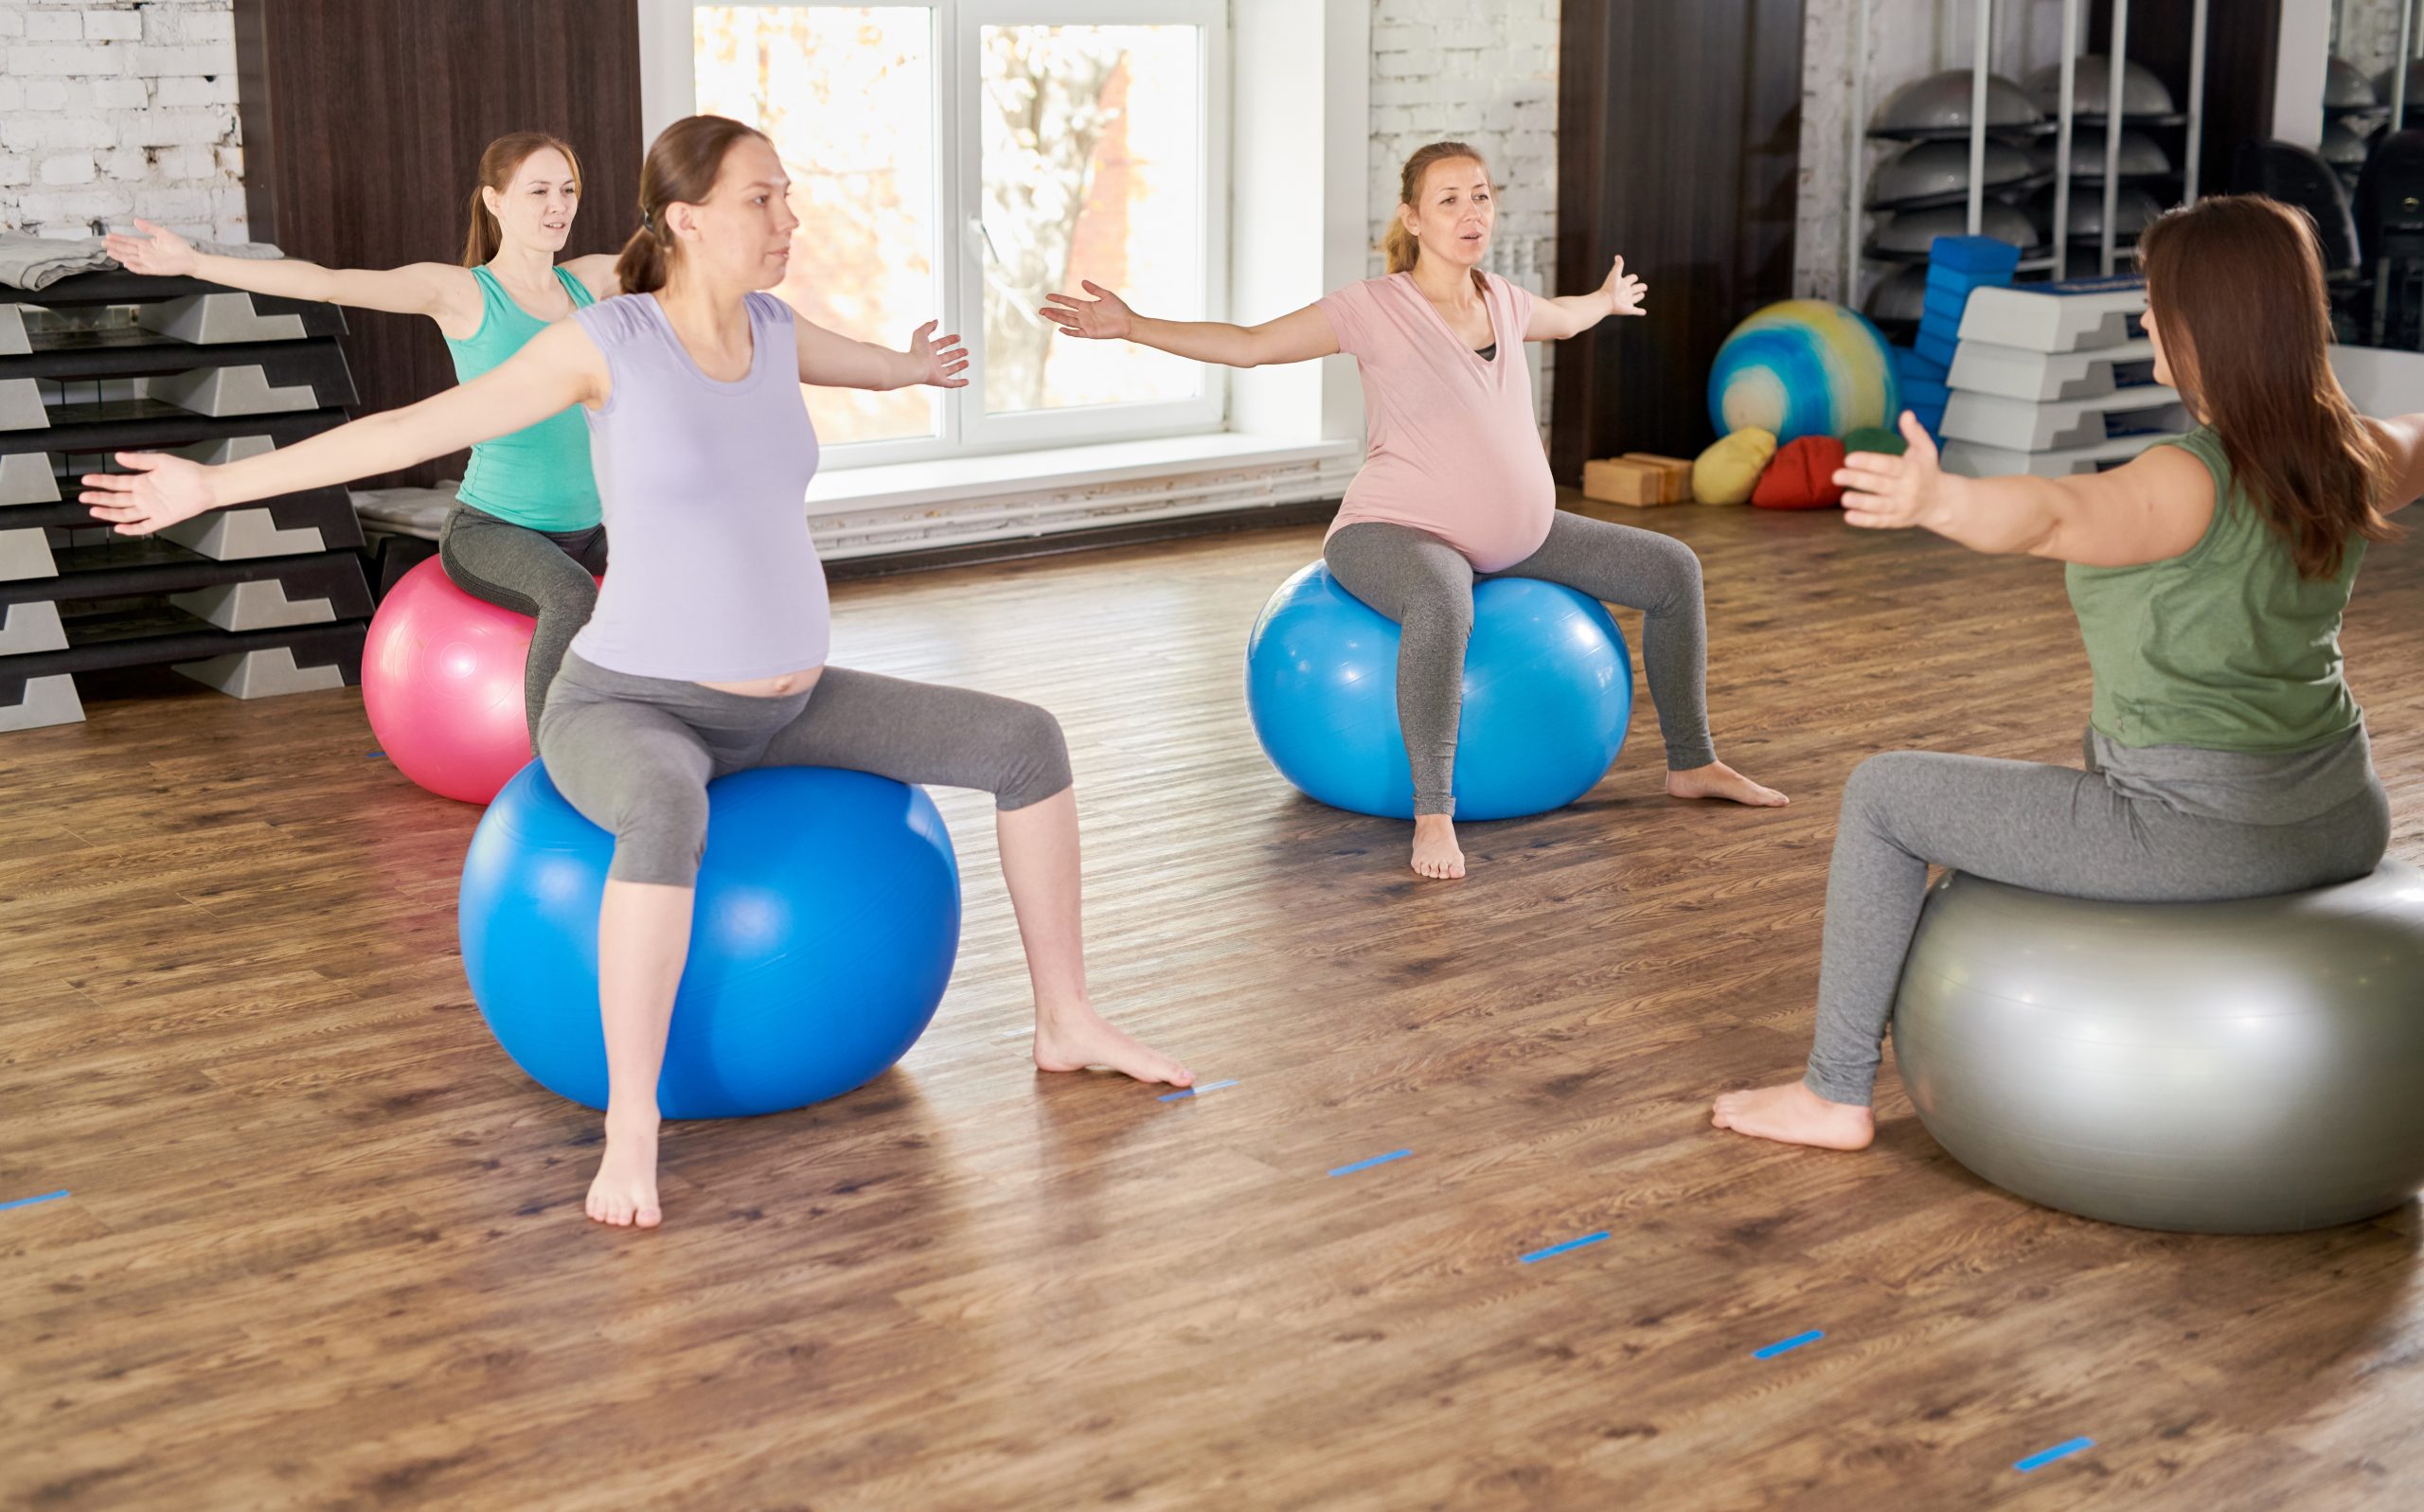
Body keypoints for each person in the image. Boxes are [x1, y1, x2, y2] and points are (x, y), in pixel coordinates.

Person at [84, 115, 1192, 1229]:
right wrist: (212, 489)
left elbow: (843, 360)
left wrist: (907, 365)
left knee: (1025, 743)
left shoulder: (768, 326)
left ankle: (1066, 1017)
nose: (788, 217)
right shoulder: (606, 340)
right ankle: (630, 1124)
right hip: (629, 701)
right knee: (665, 811)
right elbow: (415, 426)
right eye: (762, 198)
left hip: (787, 700)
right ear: (686, 219)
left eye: (789, 194)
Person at [1711, 195, 2424, 1151]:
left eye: (2152, 301)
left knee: (1882, 794)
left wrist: (1940, 497)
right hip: (2341, 814)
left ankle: (1832, 1092)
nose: (2141, 319)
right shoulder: (2351, 449)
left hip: (2199, 831)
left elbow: (2048, 513)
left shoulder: (2188, 478)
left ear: (2206, 323)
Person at [1043, 139, 1785, 881]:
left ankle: (1693, 762)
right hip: (1394, 531)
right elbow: (1252, 346)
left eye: (1482, 195)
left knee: (1672, 568)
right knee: (1440, 597)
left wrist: (1607, 302)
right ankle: (1434, 812)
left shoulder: (1501, 298)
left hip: (1518, 537)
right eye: (1450, 199)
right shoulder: (1374, 308)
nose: (1472, 212)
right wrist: (1135, 325)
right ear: (1414, 218)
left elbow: (1562, 318)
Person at [107, 132, 617, 744]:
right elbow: (326, 282)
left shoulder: (594, 282)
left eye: (568, 191)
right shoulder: (461, 292)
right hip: (496, 529)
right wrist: (195, 263)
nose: (558, 205)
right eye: (538, 190)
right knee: (568, 596)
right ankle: (557, 775)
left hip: (591, 527)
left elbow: (691, 259)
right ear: (495, 202)